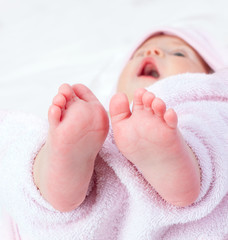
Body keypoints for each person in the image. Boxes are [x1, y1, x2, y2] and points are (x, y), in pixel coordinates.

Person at [0, 26, 228, 239]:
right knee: (26, 140)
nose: (152, 50)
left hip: (177, 138)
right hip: (99, 172)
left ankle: (177, 163)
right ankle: (57, 171)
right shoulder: (96, 116)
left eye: (179, 54)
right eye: (137, 54)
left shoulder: (202, 97)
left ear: (209, 74)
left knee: (209, 130)